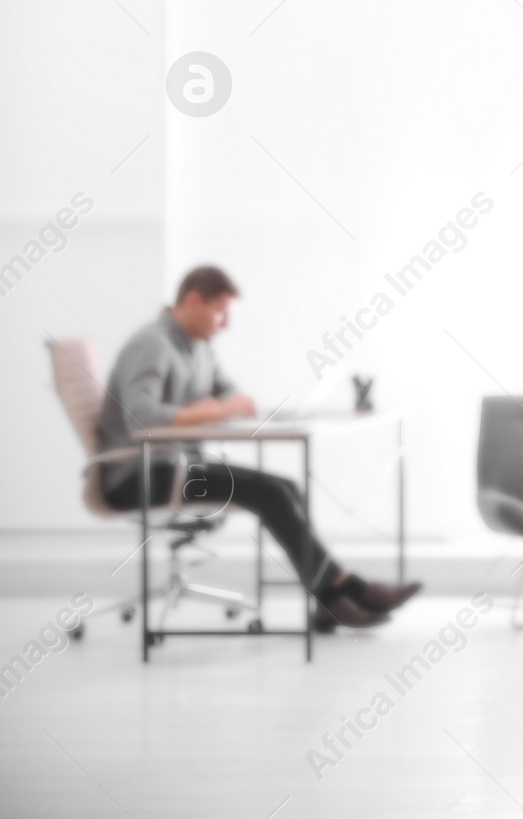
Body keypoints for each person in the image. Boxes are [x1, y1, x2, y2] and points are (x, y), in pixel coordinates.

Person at [94, 266, 420, 632]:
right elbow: (142, 416)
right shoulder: (152, 343)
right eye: (221, 313)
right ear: (193, 300)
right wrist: (215, 410)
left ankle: (330, 598)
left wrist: (223, 405)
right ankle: (346, 589)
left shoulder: (198, 348)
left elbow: (229, 392)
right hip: (140, 474)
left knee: (285, 487)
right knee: (268, 491)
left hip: (180, 466)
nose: (225, 324)